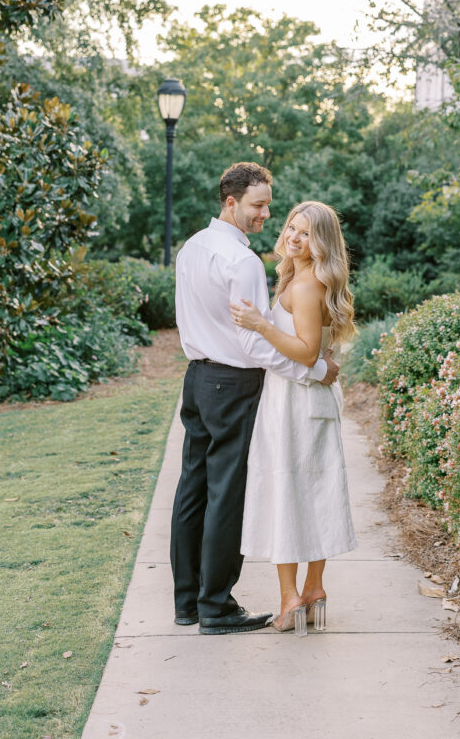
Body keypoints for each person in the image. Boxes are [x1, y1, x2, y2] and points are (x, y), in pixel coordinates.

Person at [170, 163, 340, 636]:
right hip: (232, 384)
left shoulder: (191, 248)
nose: (266, 214)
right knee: (227, 495)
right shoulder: (242, 261)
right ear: (232, 203)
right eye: (258, 205)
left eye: (268, 205)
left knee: (193, 489)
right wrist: (314, 371)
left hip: (197, 377)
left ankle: (187, 602)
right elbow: (254, 345)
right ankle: (216, 607)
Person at [231, 200, 357, 634]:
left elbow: (304, 352)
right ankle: (314, 589)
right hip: (307, 400)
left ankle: (290, 601)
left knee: (285, 492)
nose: (294, 237)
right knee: (314, 492)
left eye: (306, 233)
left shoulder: (304, 287)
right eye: (291, 228)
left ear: (322, 242)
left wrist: (260, 324)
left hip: (294, 404)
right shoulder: (306, 279)